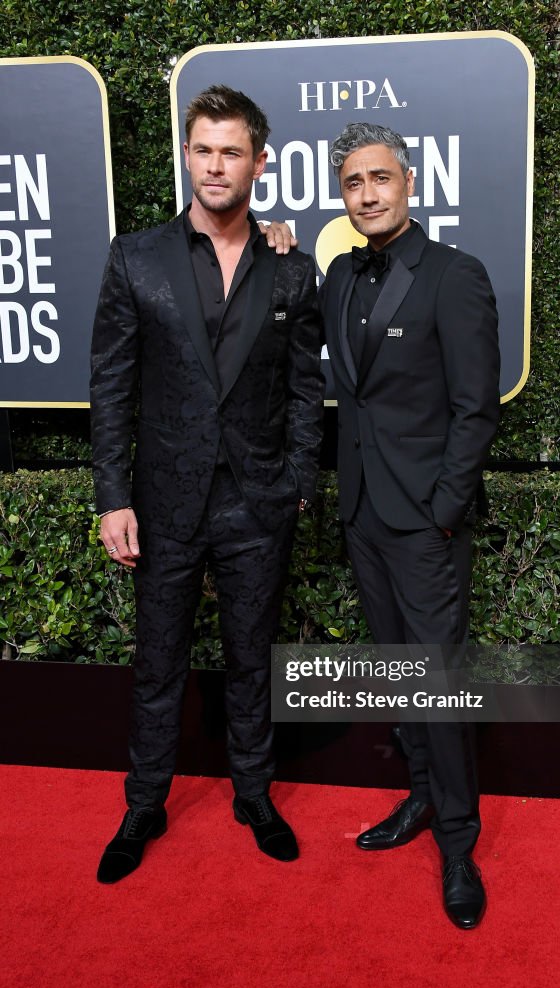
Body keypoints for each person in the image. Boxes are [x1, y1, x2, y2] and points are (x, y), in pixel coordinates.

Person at [90, 85, 324, 883]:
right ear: (186, 155)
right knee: (158, 662)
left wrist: (298, 480)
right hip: (163, 502)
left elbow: (304, 389)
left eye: (230, 151)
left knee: (252, 659)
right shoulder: (136, 257)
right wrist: (111, 497)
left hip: (258, 501)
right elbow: (111, 385)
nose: (214, 165)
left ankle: (254, 796)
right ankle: (145, 802)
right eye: (202, 149)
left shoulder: (291, 269)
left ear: (259, 162)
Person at [319, 123, 500, 929]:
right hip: (361, 510)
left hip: (424, 522)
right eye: (353, 183)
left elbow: (475, 408)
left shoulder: (454, 276)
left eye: (379, 179)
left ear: (409, 182)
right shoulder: (334, 277)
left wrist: (442, 513)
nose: (367, 194)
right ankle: (422, 799)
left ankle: (459, 844)